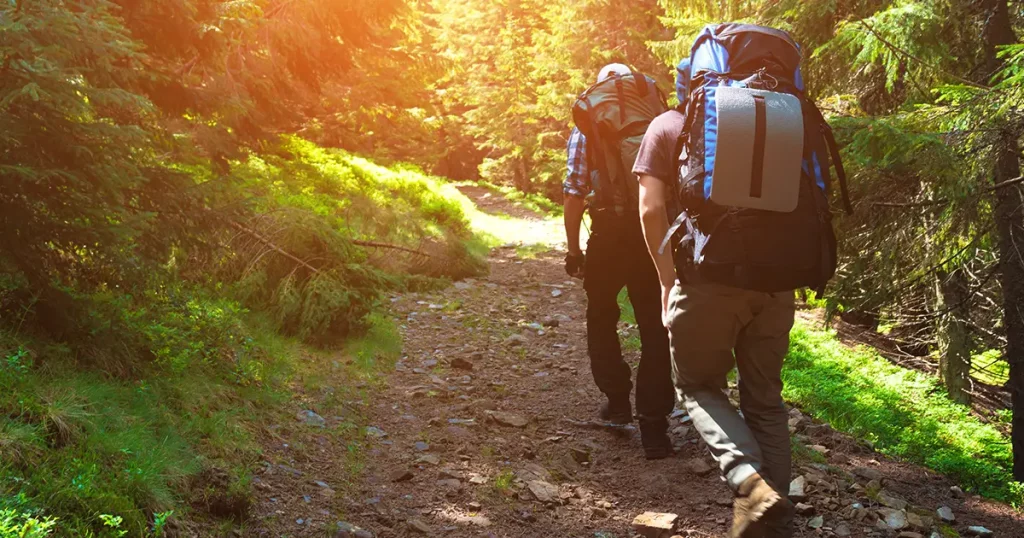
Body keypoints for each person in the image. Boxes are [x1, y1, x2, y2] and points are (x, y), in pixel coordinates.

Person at [635, 59, 795, 537]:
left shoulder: (667, 125)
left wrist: (666, 280)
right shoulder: (781, 116)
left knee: (699, 385)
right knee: (765, 400)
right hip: (776, 281)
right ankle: (774, 519)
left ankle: (751, 485)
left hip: (707, 280)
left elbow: (650, 208)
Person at [564, 63, 675, 460]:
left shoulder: (588, 127)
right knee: (654, 324)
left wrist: (574, 249)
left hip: (608, 232)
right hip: (651, 233)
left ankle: (616, 402)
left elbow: (575, 192)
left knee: (601, 315)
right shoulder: (658, 120)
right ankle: (655, 428)